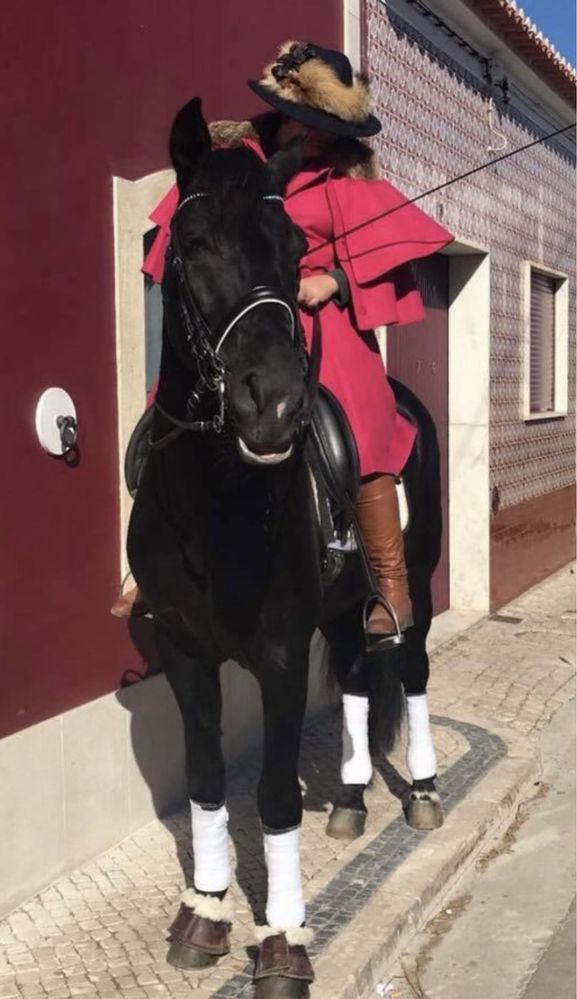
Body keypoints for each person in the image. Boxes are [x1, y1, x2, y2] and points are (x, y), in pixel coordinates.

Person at [112, 41, 453, 644]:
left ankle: (390, 579)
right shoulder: (233, 162)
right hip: (246, 313)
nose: (314, 136)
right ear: (282, 110)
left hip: (319, 315)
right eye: (307, 122)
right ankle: (151, 563)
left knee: (362, 405)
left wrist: (337, 280)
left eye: (327, 127)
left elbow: (384, 261)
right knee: (173, 399)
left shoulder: (343, 180)